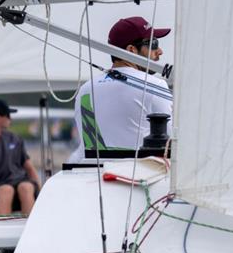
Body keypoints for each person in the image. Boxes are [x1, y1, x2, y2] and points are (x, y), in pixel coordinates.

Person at [71, 16, 172, 161]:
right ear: (131, 50)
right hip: (137, 177)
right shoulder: (155, 85)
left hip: (89, 176)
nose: (160, 51)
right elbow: (172, 140)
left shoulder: (85, 89)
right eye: (153, 44)